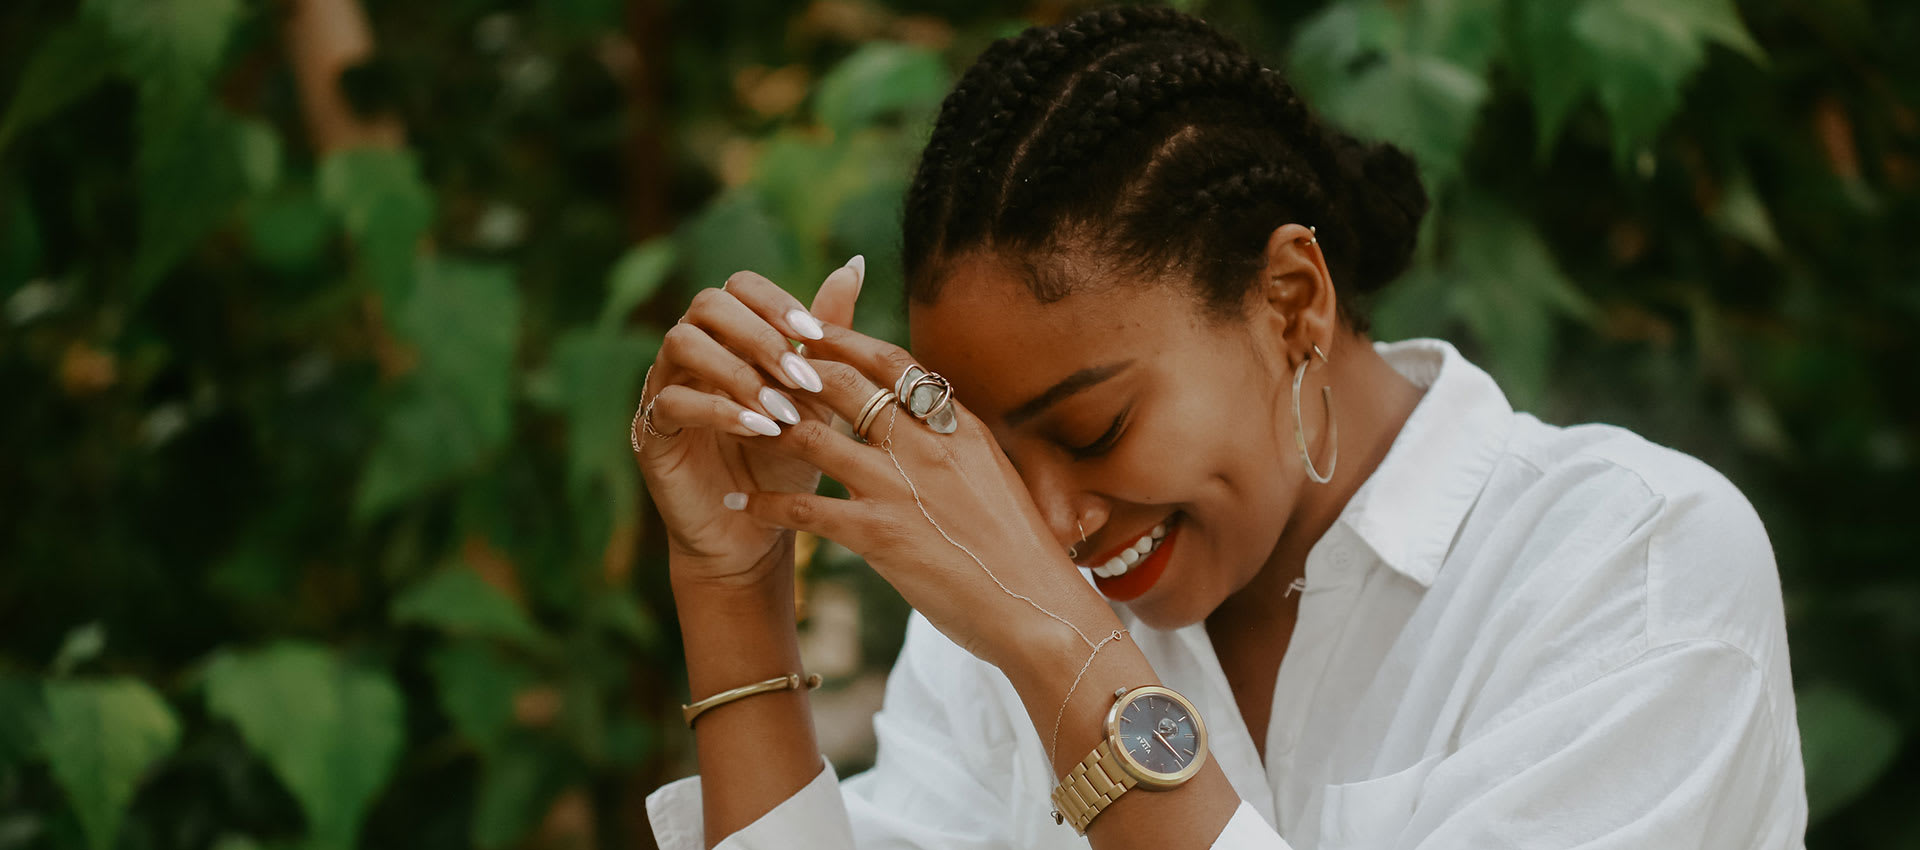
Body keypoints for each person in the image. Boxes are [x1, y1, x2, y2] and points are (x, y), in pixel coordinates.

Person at [632, 6, 1806, 849]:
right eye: (989, 450)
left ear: (1291, 298)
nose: (1044, 520)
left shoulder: (1629, 566)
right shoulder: (1003, 612)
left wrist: (1067, 657)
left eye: (1093, 426)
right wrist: (732, 590)